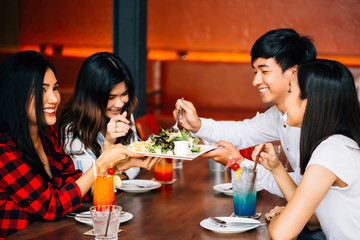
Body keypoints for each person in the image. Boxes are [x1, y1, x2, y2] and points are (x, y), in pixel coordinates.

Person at [0, 51, 158, 238]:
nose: (54, 98)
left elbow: (79, 188)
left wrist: (123, 164)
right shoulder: (4, 150)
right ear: (15, 95)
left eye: (55, 88)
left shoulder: (47, 137)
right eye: (42, 90)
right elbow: (52, 206)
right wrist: (101, 163)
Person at [174, 28, 317, 197]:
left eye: (264, 72)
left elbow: (310, 200)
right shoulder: (279, 113)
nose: (256, 81)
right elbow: (243, 132)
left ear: (293, 72)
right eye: (255, 72)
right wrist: (197, 125)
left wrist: (238, 163)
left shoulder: (319, 121)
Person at [253, 59, 360, 239]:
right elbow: (313, 219)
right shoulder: (337, 145)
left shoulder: (331, 152)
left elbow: (281, 234)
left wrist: (277, 216)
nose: (284, 99)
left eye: (290, 91)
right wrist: (276, 168)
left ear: (307, 104)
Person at [58, 52, 140, 179]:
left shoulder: (123, 112)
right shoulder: (72, 130)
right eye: (111, 97)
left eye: (124, 94)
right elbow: (91, 185)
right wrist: (108, 143)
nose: (119, 104)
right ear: (91, 97)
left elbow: (135, 166)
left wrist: (121, 171)